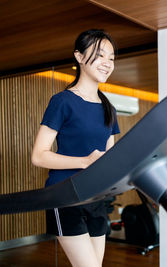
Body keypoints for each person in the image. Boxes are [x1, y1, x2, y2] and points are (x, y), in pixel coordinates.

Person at [31, 29, 119, 267]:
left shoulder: (108, 107)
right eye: (100, 55)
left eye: (111, 58)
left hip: (96, 197)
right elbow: (38, 156)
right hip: (65, 195)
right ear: (79, 57)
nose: (107, 63)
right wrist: (85, 162)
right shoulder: (62, 102)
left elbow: (110, 156)